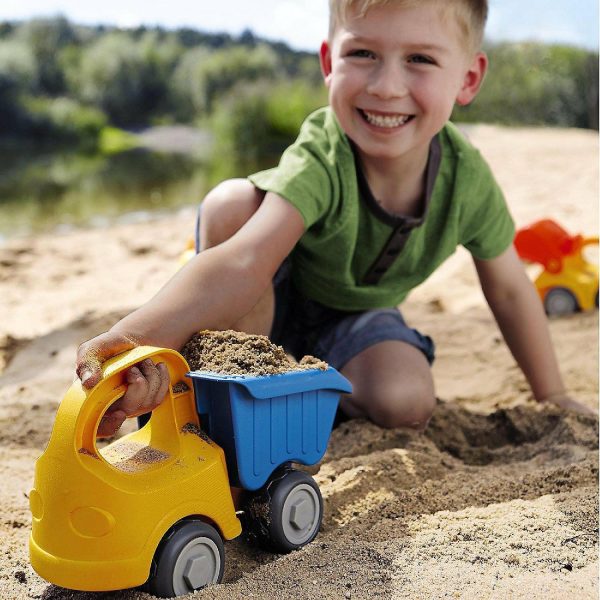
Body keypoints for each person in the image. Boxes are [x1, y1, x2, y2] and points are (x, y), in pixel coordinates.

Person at [76, 0, 594, 438]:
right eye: (362, 53)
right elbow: (246, 263)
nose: (387, 86)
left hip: (354, 320)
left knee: (407, 401)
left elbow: (508, 289)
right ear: (329, 61)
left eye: (419, 59)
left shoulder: (466, 181)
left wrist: (553, 395)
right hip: (263, 304)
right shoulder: (325, 151)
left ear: (469, 77)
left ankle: (305, 394)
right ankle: (216, 388)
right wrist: (135, 338)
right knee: (232, 205)